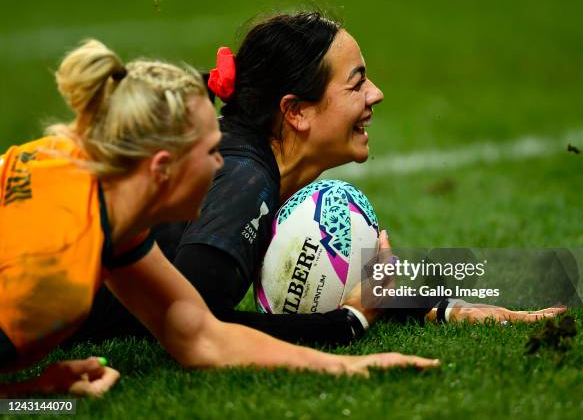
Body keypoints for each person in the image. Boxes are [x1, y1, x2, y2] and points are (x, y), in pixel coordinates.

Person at [70, 13, 566, 348]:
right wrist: (345, 323)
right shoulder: (244, 180)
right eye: (356, 83)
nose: (377, 94)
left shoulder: (248, 163)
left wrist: (441, 304)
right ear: (296, 112)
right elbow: (193, 325)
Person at [0, 39, 441, 397]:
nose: (221, 168)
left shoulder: (102, 201)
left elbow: (199, 333)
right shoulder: (54, 278)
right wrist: (37, 396)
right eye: (212, 153)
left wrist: (354, 363)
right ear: (160, 168)